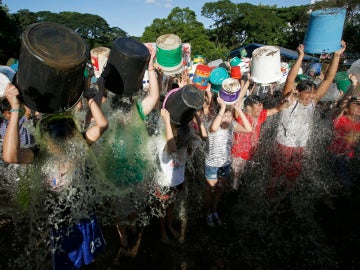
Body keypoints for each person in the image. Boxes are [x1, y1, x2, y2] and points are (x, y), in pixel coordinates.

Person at [2, 82, 109, 269]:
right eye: (55, 138)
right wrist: (15, 109)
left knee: (90, 259)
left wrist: (87, 95)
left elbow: (102, 125)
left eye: (66, 135)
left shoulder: (79, 145)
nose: (61, 142)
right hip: (61, 225)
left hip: (84, 215)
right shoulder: (40, 155)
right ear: (45, 139)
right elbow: (10, 156)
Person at [94, 43, 160, 256]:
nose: (124, 118)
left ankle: (132, 227)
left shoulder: (139, 109)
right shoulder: (106, 110)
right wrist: (101, 85)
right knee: (116, 209)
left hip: (137, 168)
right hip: (113, 169)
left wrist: (150, 67)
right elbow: (92, 110)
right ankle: (123, 240)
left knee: (135, 207)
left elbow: (154, 97)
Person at [267, 41, 346, 196]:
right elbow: (290, 80)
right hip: (283, 144)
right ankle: (270, 197)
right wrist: (300, 57)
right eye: (308, 93)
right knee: (275, 176)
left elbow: (328, 80)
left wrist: (337, 56)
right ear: (299, 91)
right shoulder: (289, 100)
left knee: (292, 177)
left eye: (313, 93)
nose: (311, 96)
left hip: (300, 146)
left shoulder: (313, 102)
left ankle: (287, 198)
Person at [203, 96, 252, 227]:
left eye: (229, 117)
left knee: (219, 189)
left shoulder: (232, 125)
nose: (227, 119)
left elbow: (249, 129)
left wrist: (238, 110)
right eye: (224, 116)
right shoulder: (212, 124)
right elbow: (213, 128)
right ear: (219, 116)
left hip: (226, 164)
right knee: (210, 190)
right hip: (212, 165)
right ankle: (207, 212)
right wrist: (223, 108)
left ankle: (214, 211)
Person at [231, 94, 291, 190]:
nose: (260, 111)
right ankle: (231, 195)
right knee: (235, 178)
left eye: (261, 107)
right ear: (249, 108)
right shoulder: (241, 116)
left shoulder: (259, 115)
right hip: (238, 153)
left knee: (243, 176)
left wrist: (284, 105)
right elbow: (236, 109)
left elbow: (275, 110)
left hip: (251, 152)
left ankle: (240, 192)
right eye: (257, 109)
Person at [154, 108, 195, 244]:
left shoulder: (184, 144)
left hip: (177, 181)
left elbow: (193, 145)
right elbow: (171, 147)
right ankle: (162, 231)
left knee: (170, 205)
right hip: (164, 183)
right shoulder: (163, 141)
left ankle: (169, 226)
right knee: (162, 208)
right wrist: (166, 121)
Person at [329, 75, 360, 186]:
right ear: (347, 108)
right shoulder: (339, 119)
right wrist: (353, 85)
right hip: (336, 155)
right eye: (356, 105)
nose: (359, 107)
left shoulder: (358, 122)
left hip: (349, 156)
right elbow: (343, 103)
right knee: (344, 182)